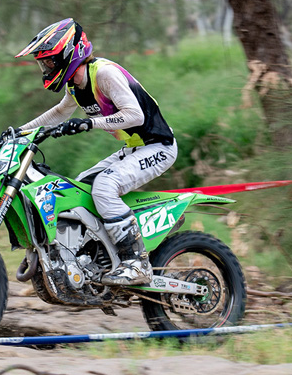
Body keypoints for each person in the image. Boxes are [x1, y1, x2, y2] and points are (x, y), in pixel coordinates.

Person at [11, 18, 176, 286]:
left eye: (50, 61)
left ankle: (136, 263)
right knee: (79, 190)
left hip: (158, 146)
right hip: (133, 149)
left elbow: (134, 115)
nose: (46, 67)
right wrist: (20, 131)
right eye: (44, 63)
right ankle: (95, 258)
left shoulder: (104, 74)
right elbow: (60, 112)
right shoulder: (76, 84)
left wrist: (90, 122)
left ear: (68, 53)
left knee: (104, 186)